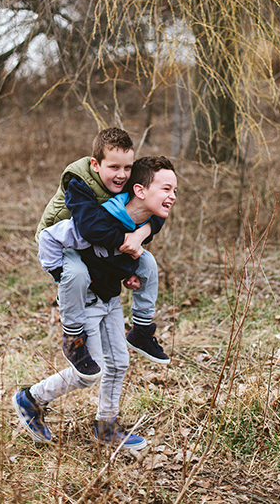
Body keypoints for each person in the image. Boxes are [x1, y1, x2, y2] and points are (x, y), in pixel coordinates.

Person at [14, 156, 178, 448]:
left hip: (110, 298)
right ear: (140, 191)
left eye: (174, 190)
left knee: (119, 363)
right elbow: (50, 238)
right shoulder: (95, 221)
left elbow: (126, 248)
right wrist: (62, 274)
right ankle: (31, 399)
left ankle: (106, 425)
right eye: (166, 189)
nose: (173, 196)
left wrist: (129, 270)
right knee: (89, 374)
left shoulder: (144, 221)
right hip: (85, 299)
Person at [35, 128, 169, 382]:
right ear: (96, 165)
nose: (122, 175)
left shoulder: (125, 181)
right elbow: (91, 229)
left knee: (148, 262)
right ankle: (74, 339)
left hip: (91, 243)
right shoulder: (78, 183)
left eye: (127, 167)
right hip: (60, 244)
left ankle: (141, 329)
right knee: (76, 273)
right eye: (114, 167)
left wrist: (141, 235)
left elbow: (153, 207)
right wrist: (126, 248)